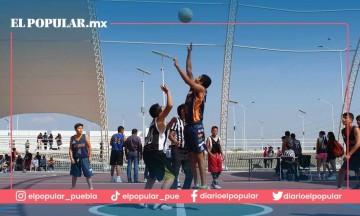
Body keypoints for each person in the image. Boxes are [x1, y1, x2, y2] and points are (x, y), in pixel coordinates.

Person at [173, 42, 212, 189]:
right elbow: (189, 70)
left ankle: (204, 183)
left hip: (196, 126)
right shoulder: (192, 88)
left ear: (201, 81)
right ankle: (197, 183)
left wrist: (177, 67)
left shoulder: (201, 89)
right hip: (188, 126)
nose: (196, 76)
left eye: (199, 76)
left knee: (200, 155)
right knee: (191, 156)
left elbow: (187, 78)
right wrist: (189, 53)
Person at [141, 85, 176, 210]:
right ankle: (162, 201)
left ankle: (144, 200)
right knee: (171, 175)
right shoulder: (159, 118)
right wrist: (168, 92)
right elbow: (170, 106)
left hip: (147, 152)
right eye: (162, 108)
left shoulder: (153, 123)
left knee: (152, 175)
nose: (164, 108)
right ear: (159, 112)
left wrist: (170, 124)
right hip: (156, 152)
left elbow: (162, 132)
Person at [168, 104, 193, 189]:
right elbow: (170, 135)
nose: (184, 111)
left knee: (190, 173)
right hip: (177, 150)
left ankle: (185, 190)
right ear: (180, 111)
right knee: (175, 172)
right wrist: (175, 141)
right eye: (182, 109)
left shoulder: (190, 122)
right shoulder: (177, 122)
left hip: (187, 150)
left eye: (185, 109)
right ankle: (173, 190)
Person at [337, 113, 360, 189]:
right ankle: (338, 188)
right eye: (342, 118)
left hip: (358, 153)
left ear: (350, 120)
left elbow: (358, 143)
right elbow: (347, 144)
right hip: (352, 153)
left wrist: (349, 154)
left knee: (358, 171)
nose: (343, 119)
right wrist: (347, 154)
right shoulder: (343, 131)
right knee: (342, 171)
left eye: (345, 118)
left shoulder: (355, 129)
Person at [69, 123, 93, 189]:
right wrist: (71, 158)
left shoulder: (85, 136)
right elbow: (71, 149)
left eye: (82, 128)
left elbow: (89, 147)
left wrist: (90, 156)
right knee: (74, 174)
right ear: (75, 129)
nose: (80, 130)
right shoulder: (72, 138)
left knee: (88, 174)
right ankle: (73, 187)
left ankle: (91, 188)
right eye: (79, 128)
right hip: (76, 158)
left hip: (85, 158)